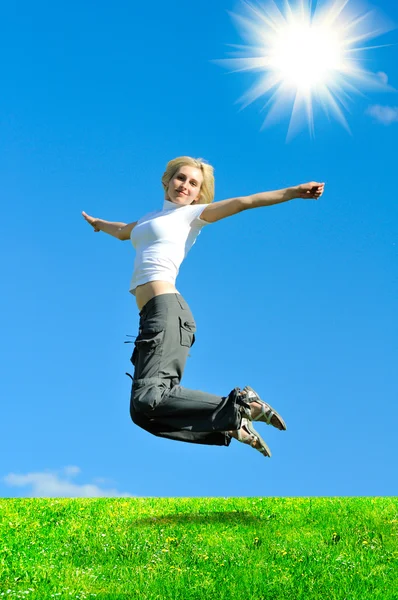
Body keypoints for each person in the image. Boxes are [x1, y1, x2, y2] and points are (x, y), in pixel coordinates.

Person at [82, 156, 324, 458]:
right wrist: (97, 224)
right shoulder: (147, 219)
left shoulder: (192, 215)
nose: (185, 185)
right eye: (180, 178)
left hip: (167, 311)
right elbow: (121, 231)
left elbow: (244, 202)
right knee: (142, 413)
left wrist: (293, 191)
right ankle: (227, 424)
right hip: (149, 318)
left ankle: (242, 406)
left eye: (193, 183)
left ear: (199, 193)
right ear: (167, 180)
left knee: (149, 398)